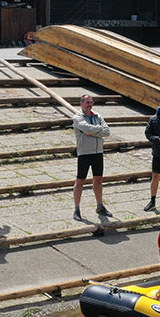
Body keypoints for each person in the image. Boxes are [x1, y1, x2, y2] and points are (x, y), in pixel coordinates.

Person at [72, 93, 111, 222]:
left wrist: (92, 132)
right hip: (84, 153)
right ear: (81, 103)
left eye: (91, 102)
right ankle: (77, 208)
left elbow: (107, 132)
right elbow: (85, 128)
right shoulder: (77, 118)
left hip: (98, 152)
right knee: (80, 181)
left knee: (98, 180)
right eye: (87, 102)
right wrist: (98, 131)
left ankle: (100, 206)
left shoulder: (97, 116)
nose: (90, 105)